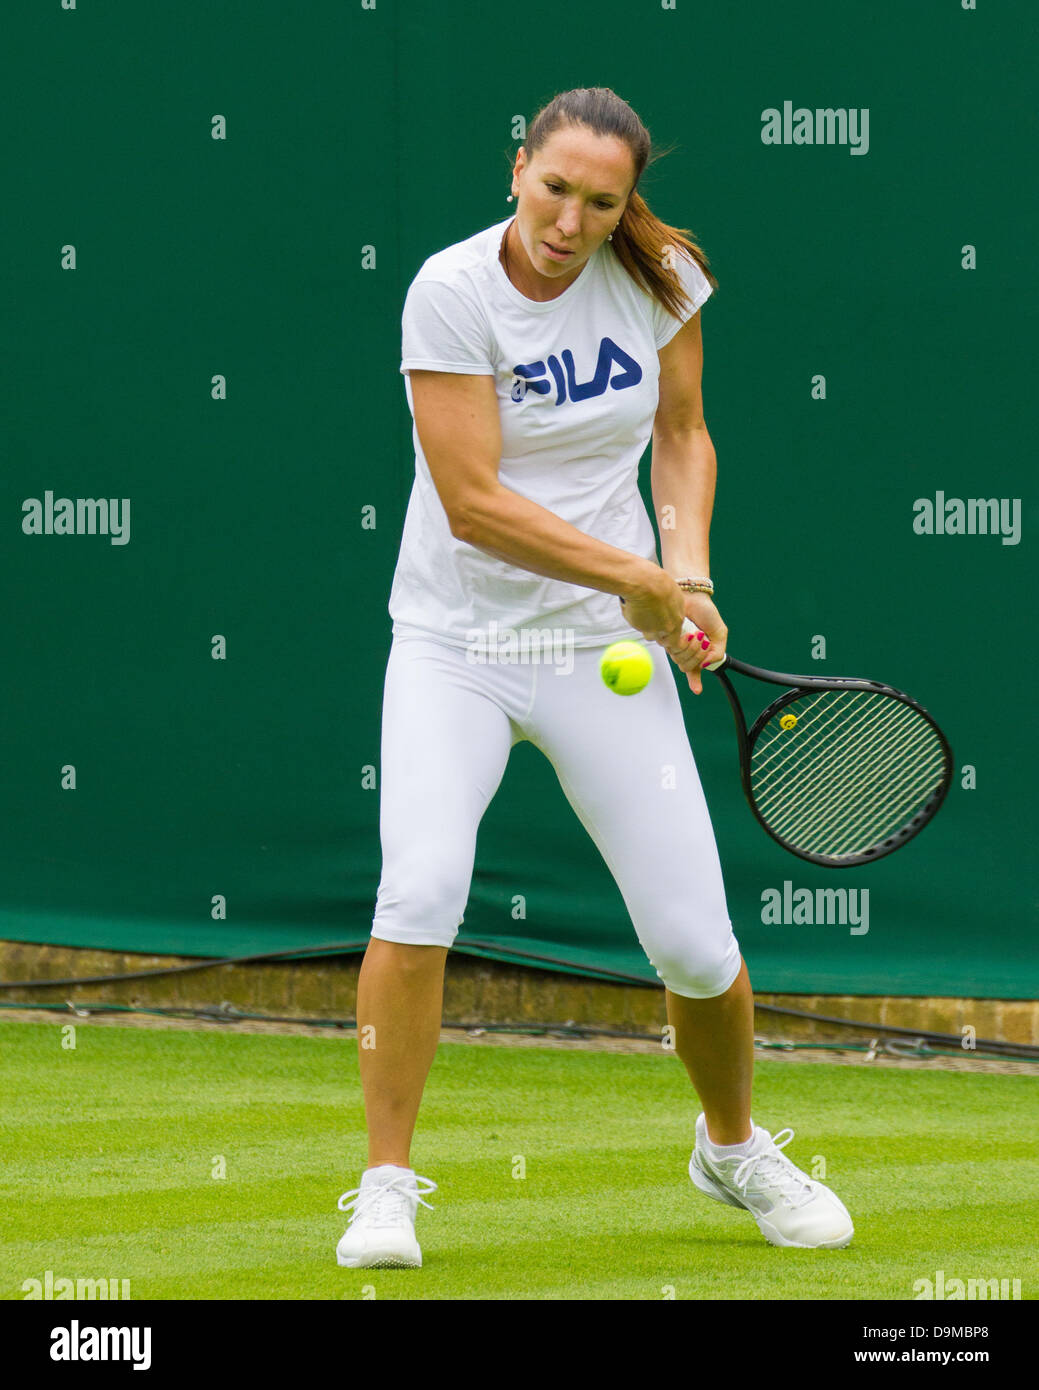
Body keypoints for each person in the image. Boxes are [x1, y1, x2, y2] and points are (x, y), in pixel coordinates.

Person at [336, 87, 853, 1269]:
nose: (570, 218)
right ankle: (383, 1185)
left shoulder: (660, 282)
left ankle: (729, 1149)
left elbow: (681, 433)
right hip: (454, 649)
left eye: (600, 201)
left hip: (597, 657)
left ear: (626, 205)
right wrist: (640, 574)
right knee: (418, 890)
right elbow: (470, 502)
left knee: (694, 944)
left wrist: (692, 574)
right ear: (517, 167)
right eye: (554, 186)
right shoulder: (449, 290)